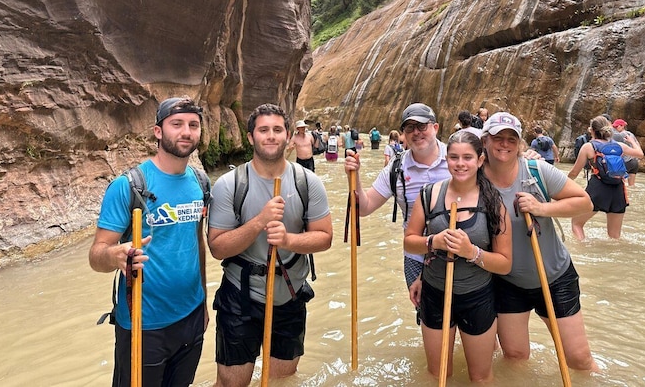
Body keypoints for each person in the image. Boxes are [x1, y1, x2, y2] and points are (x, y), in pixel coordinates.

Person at [207, 104, 333, 387]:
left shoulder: (307, 182)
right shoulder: (229, 185)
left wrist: (288, 240)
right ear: (251, 137)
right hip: (240, 297)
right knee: (230, 384)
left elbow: (324, 237)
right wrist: (259, 222)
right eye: (263, 130)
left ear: (288, 137)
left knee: (282, 381)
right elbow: (217, 248)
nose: (271, 136)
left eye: (278, 130)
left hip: (290, 296)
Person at [89, 97, 209, 387]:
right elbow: (96, 255)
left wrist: (204, 301)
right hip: (144, 325)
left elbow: (197, 245)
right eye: (177, 124)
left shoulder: (200, 182)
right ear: (158, 132)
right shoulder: (129, 186)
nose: (186, 132)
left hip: (191, 316)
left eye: (193, 125)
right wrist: (116, 255)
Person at [476, 112, 598, 372]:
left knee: (578, 359)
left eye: (511, 139)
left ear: (520, 144)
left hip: (554, 277)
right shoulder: (473, 178)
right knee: (516, 356)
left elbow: (584, 202)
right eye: (498, 137)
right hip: (507, 283)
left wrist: (541, 208)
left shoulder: (536, 169)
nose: (504, 144)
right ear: (485, 140)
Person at [404, 130, 512, 381]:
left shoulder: (493, 202)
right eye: (453, 157)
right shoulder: (429, 194)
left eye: (467, 157)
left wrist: (471, 252)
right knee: (438, 373)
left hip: (477, 297)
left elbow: (505, 264)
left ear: (480, 160)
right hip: (435, 294)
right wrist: (434, 241)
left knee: (481, 377)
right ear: (446, 158)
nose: (460, 164)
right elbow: (410, 243)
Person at [345, 102, 451, 289]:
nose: (416, 132)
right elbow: (365, 207)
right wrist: (355, 176)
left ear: (435, 127)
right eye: (410, 127)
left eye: (422, 126)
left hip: (455, 253)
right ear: (404, 134)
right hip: (416, 257)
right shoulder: (396, 168)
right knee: (426, 316)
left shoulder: (457, 159)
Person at [568, 115, 644, 239]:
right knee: (614, 236)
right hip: (618, 191)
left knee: (576, 223)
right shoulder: (619, 146)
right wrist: (631, 141)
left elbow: (574, 173)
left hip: (597, 189)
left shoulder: (588, 147)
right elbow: (640, 154)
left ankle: (583, 250)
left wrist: (560, 185)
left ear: (592, 130)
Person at [611, 119, 639, 185]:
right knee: (631, 186)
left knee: (621, 184)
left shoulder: (620, 135)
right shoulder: (631, 134)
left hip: (626, 162)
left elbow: (620, 150)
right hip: (635, 162)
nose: (615, 128)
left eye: (616, 127)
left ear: (622, 126)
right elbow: (637, 146)